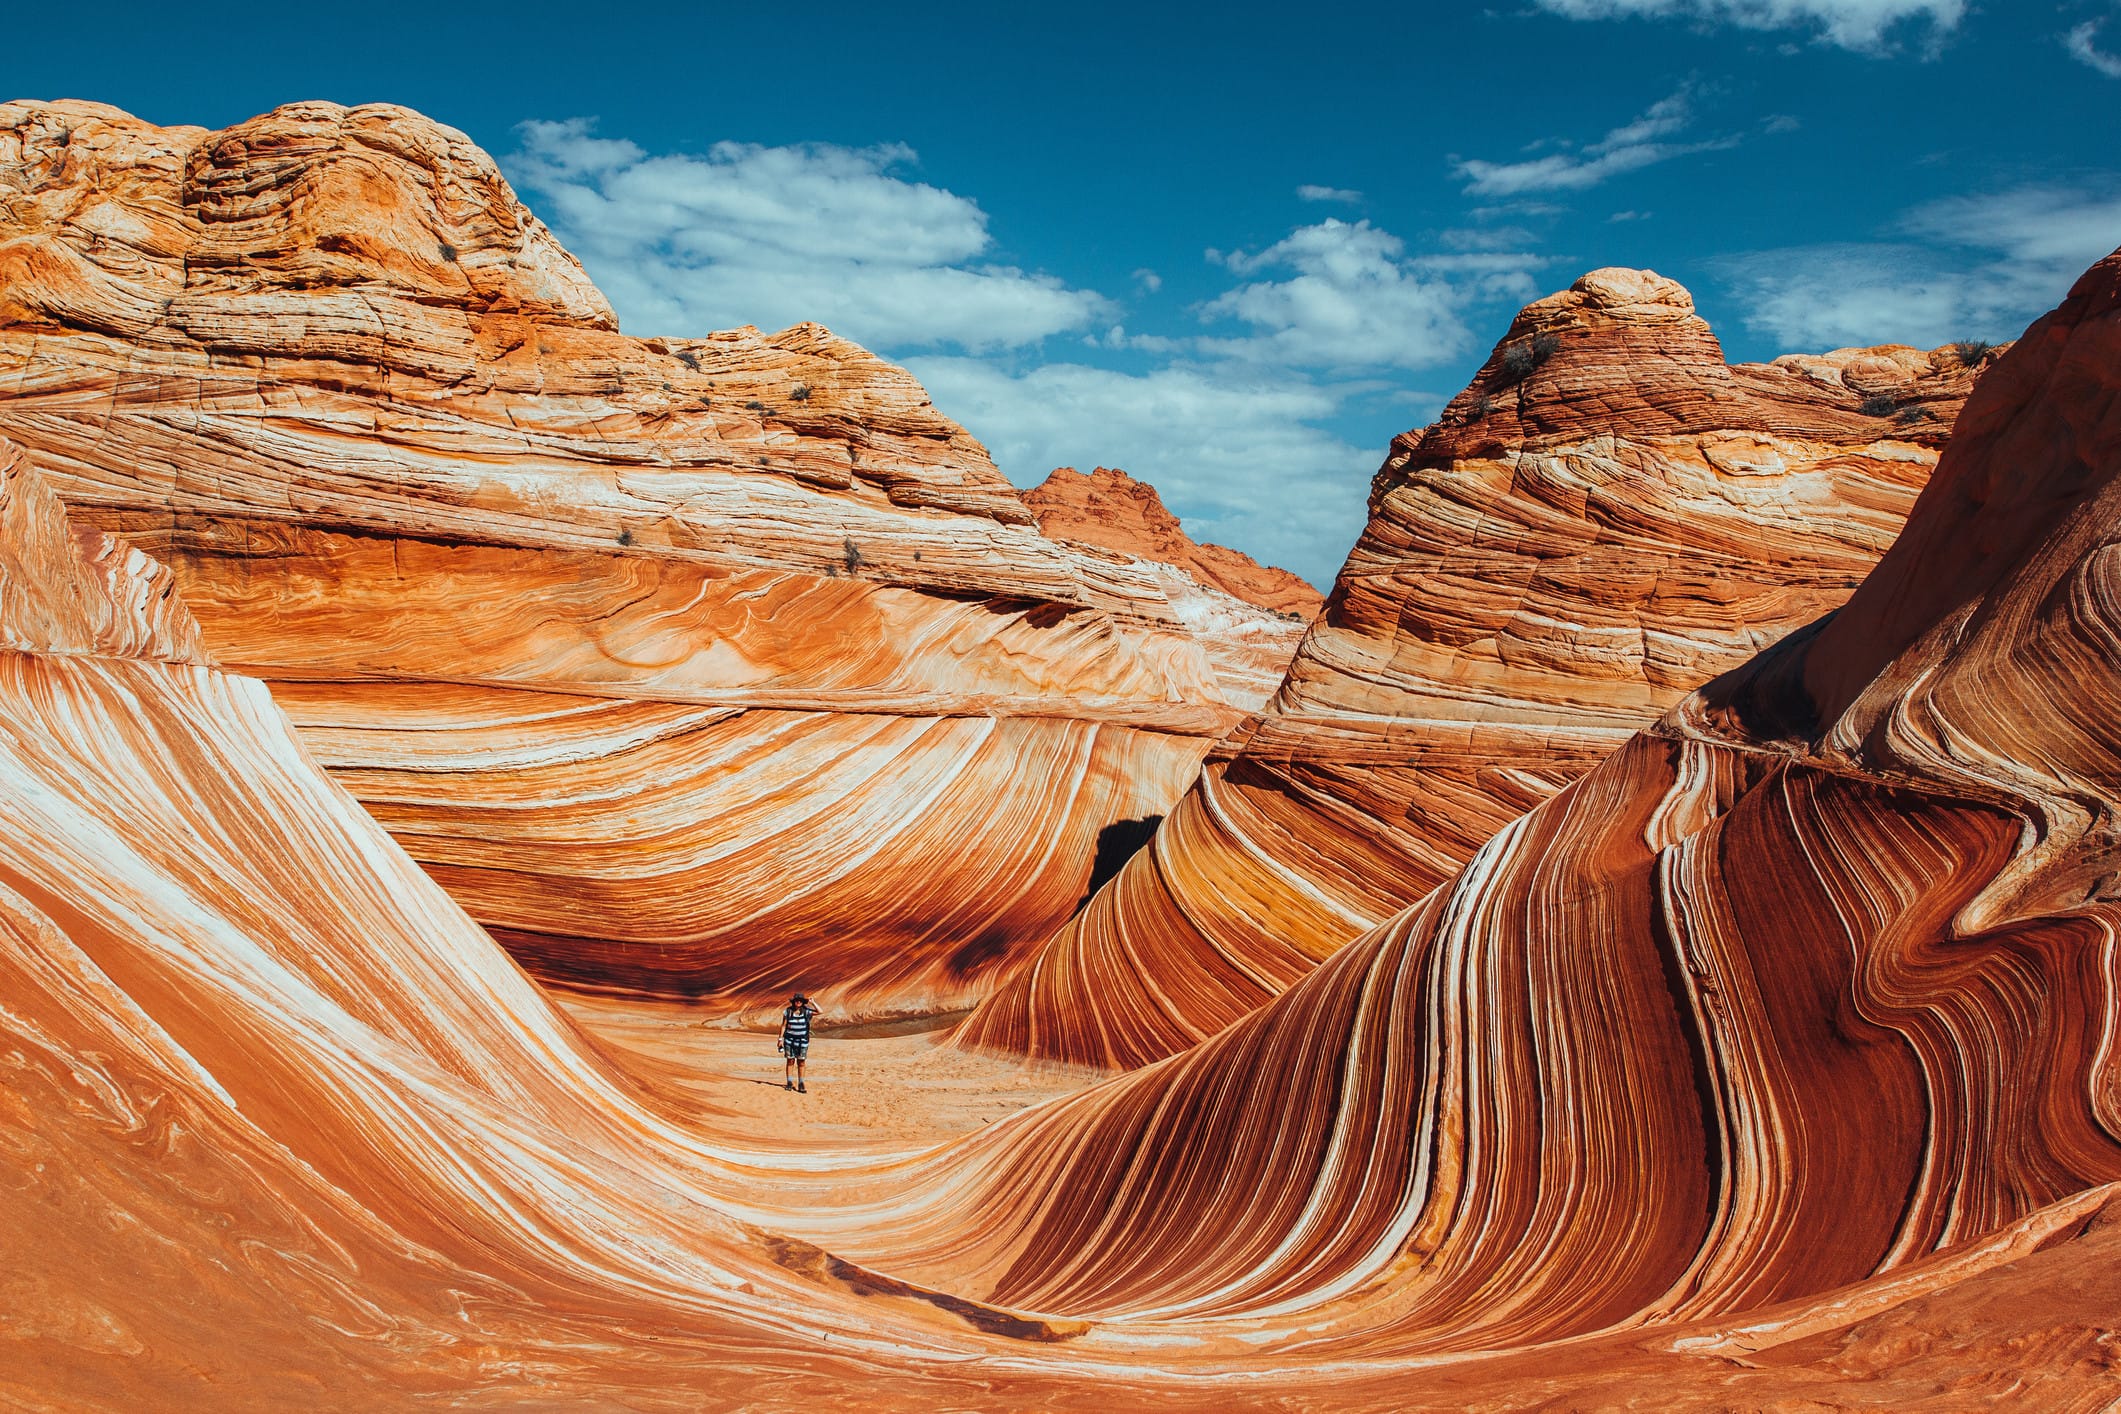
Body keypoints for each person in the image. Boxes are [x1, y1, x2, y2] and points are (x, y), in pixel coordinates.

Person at [778, 992, 820, 1092]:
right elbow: (783, 1026)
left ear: (803, 1002)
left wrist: (813, 1003)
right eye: (797, 1000)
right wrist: (780, 1039)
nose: (798, 1002)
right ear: (794, 1001)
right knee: (790, 1060)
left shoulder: (806, 1011)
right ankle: (789, 1082)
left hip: (802, 1041)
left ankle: (801, 1083)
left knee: (801, 1062)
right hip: (789, 1040)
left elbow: (820, 1011)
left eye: (800, 1001)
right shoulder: (788, 1012)